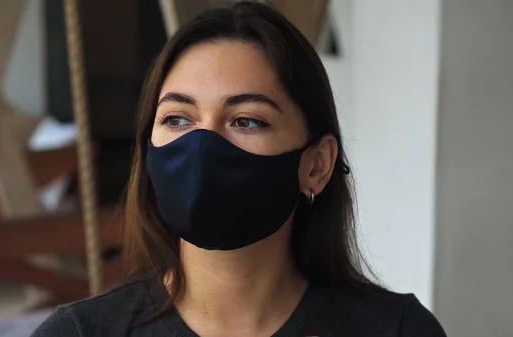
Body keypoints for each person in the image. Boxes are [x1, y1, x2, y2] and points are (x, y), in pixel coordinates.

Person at [32, 1, 446, 336]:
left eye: (247, 120)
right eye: (177, 119)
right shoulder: (79, 333)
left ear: (316, 165)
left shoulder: (399, 330)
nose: (202, 146)